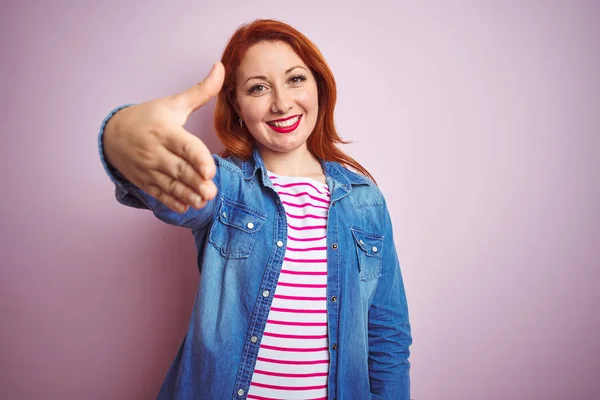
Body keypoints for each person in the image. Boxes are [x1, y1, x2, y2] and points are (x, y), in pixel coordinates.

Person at [98, 19, 412, 400]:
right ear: (236, 105)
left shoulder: (365, 201)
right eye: (258, 88)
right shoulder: (225, 185)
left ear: (318, 86)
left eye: (295, 79)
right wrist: (119, 135)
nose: (280, 103)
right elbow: (161, 190)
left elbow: (388, 334)